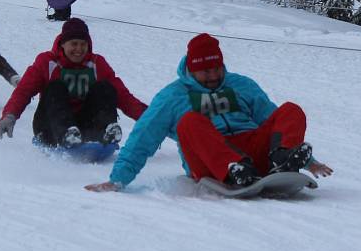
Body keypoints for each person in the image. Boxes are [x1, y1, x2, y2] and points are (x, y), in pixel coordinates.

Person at [85, 33, 333, 192]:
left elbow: (273, 120)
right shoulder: (173, 96)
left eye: (216, 69)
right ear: (192, 70)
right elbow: (143, 137)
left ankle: (281, 160)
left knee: (290, 110)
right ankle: (232, 169)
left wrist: (309, 162)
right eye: (206, 71)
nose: (213, 76)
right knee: (189, 122)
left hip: (252, 148)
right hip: (208, 159)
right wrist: (118, 179)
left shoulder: (241, 84)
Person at [0, 18, 147, 147]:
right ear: (62, 44)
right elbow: (24, 91)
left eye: (83, 44)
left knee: (105, 88)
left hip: (85, 126)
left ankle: (105, 132)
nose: (79, 49)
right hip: (50, 127)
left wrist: (152, 118)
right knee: (55, 87)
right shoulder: (47, 62)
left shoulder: (97, 64)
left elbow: (123, 96)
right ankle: (66, 134)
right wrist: (9, 116)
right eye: (74, 44)